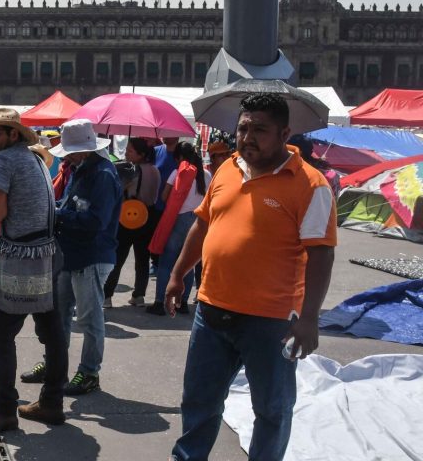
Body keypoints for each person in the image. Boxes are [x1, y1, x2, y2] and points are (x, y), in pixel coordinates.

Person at [165, 93, 337, 461]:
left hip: (271, 321)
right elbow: (202, 225)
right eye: (243, 128)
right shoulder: (228, 168)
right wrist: (178, 275)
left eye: (260, 130)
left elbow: (321, 253)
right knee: (198, 402)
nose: (248, 137)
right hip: (210, 311)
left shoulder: (310, 184)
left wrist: (309, 318)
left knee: (271, 410)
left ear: (284, 132)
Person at [0, 108, 67, 436]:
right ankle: (52, 402)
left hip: (24, 257)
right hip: (46, 252)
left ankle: (6, 412)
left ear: (12, 135)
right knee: (52, 332)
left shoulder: (6, 161)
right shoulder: (34, 158)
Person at [47, 119, 121, 396]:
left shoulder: (101, 174)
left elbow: (96, 221)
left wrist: (58, 215)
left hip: (91, 254)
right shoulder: (82, 170)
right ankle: (56, 363)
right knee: (60, 315)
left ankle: (89, 372)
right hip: (73, 252)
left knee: (89, 320)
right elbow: (71, 206)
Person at [148, 142, 211, 316]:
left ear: (180, 157)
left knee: (167, 261)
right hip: (198, 220)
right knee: (189, 262)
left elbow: (164, 196)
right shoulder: (206, 174)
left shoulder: (177, 173)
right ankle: (182, 302)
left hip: (179, 218)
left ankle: (160, 301)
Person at [103, 138, 160, 308]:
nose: (126, 153)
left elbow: (117, 189)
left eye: (130, 151)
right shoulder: (155, 170)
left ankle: (107, 296)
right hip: (148, 217)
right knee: (142, 259)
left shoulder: (131, 170)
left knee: (118, 258)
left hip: (129, 218)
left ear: (141, 154)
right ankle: (139, 295)